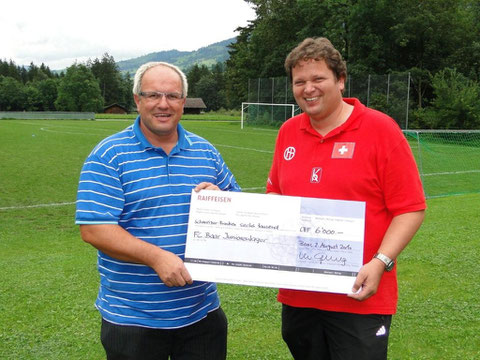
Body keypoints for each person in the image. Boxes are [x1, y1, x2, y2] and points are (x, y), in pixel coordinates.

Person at [266, 37, 426, 360]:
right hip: (299, 296)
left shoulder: (381, 130)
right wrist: (223, 205)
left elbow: (411, 208)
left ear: (340, 80)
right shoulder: (287, 132)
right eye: (300, 82)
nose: (308, 88)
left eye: (318, 79)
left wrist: (381, 262)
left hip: (359, 296)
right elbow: (276, 198)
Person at [75, 61, 240, 360]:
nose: (163, 104)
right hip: (133, 320)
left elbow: (241, 211)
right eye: (153, 95)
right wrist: (156, 257)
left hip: (202, 314)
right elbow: (94, 228)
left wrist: (223, 202)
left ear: (182, 102)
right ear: (137, 100)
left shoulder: (206, 151)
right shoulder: (108, 155)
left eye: (173, 96)